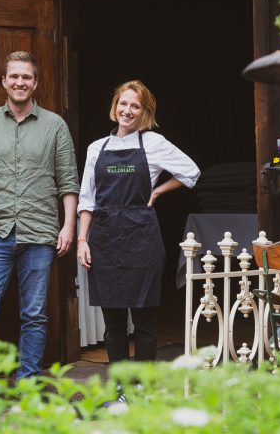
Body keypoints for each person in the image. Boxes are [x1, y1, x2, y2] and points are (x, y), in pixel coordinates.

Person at [0, 51, 79, 408]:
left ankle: (27, 386)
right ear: (5, 81)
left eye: (27, 77)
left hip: (40, 233)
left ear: (35, 83)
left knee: (34, 315)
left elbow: (68, 181)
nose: (20, 82)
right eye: (14, 77)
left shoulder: (55, 125)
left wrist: (68, 226)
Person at [77, 80, 200, 373]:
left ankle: (143, 386)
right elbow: (87, 199)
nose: (127, 111)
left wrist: (159, 191)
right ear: (115, 106)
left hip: (140, 236)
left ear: (144, 112)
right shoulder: (97, 148)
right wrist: (82, 239)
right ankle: (120, 385)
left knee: (144, 319)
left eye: (135, 106)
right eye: (123, 103)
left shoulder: (154, 143)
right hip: (104, 237)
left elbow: (191, 172)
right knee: (113, 322)